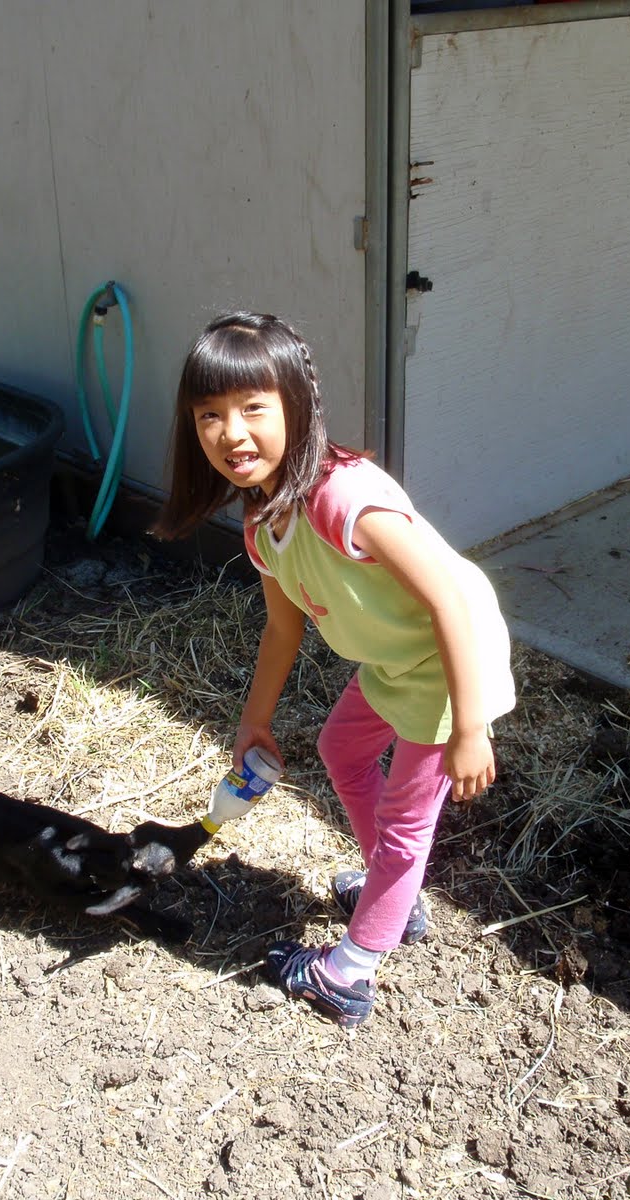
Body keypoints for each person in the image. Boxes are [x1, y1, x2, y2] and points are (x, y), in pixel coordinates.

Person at [154, 311, 516, 1028]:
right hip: (394, 660)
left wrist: (470, 727)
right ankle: (393, 895)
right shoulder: (264, 523)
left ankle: (350, 972)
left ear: (298, 405)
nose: (231, 433)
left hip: (448, 663)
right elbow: (283, 627)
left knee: (407, 822)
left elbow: (449, 599)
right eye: (210, 415)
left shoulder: (344, 500)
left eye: (253, 408)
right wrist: (253, 721)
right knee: (341, 749)